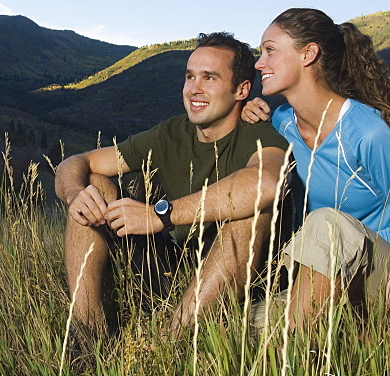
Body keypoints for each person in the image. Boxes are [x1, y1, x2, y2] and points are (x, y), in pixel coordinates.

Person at [55, 32, 290, 341]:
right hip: (173, 265)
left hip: (236, 277)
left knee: (250, 214)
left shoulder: (259, 134)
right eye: (190, 76)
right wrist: (74, 194)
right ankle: (87, 334)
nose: (194, 88)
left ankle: (171, 343)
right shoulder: (171, 133)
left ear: (241, 89)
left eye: (209, 78)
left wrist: (160, 215)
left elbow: (266, 183)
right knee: (93, 184)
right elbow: (75, 163)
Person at [244, 8, 390, 329]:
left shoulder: (367, 133)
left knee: (328, 224)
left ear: (308, 54)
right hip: (333, 274)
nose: (258, 63)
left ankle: (291, 363)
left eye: (269, 50)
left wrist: (351, 244)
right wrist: (248, 114)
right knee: (238, 326)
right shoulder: (281, 122)